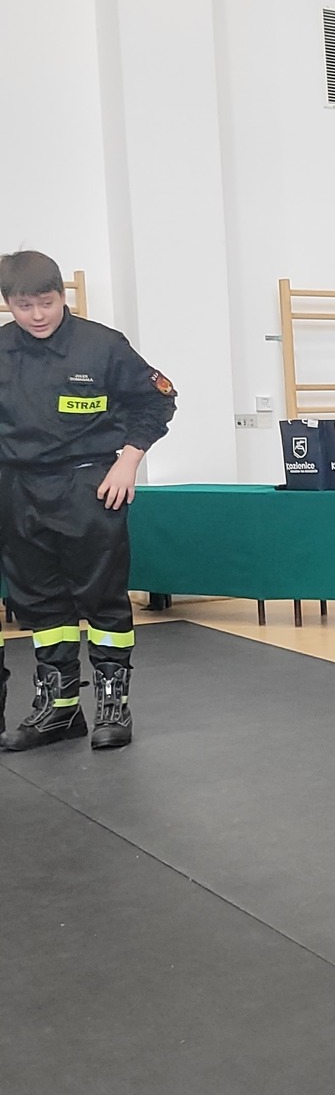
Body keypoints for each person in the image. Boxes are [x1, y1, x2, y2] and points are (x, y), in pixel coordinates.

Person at [0, 249, 176, 752]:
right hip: (17, 489)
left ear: (63, 295)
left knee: (102, 598)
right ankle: (59, 709)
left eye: (46, 302)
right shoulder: (2, 349)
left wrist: (128, 461)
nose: (37, 315)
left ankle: (113, 706)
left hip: (88, 486)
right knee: (38, 602)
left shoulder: (102, 346)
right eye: (24, 306)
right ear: (8, 303)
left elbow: (158, 400)